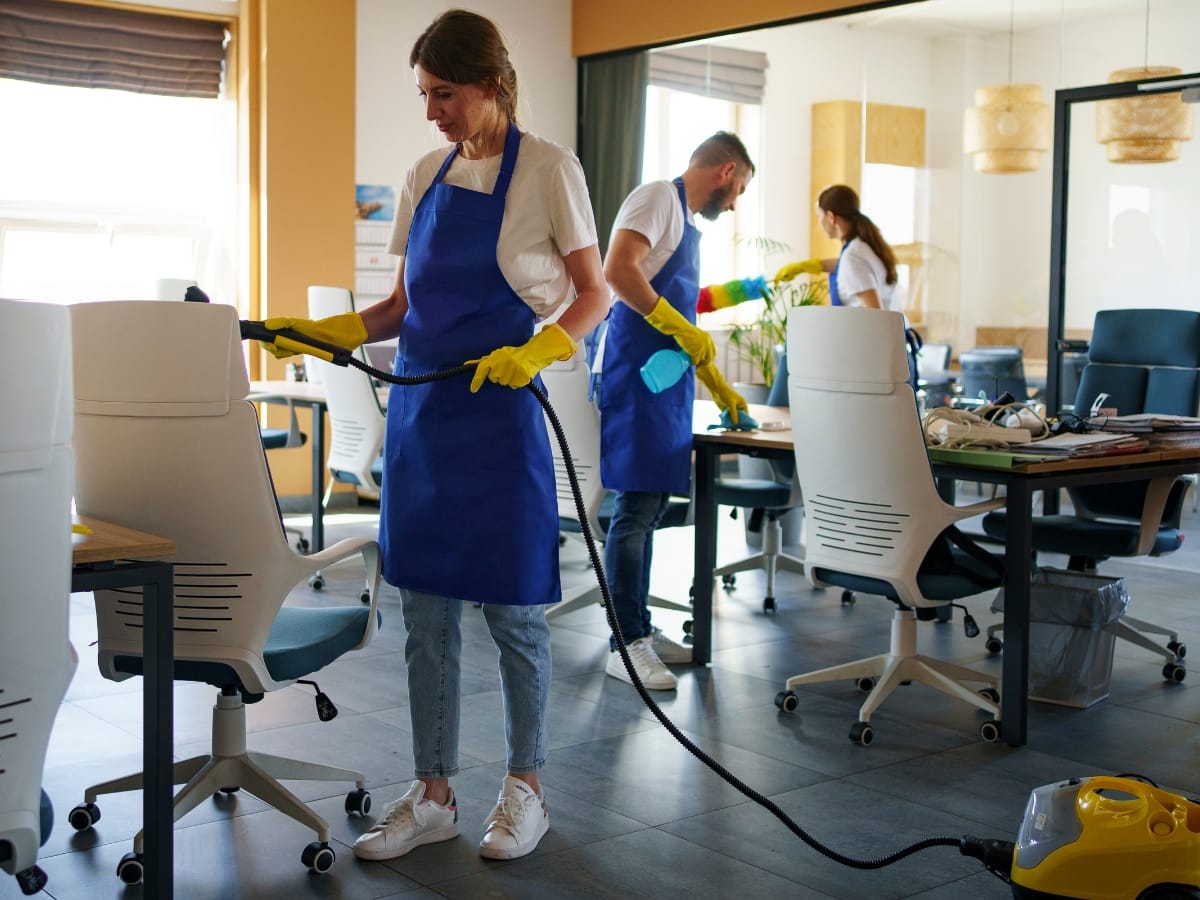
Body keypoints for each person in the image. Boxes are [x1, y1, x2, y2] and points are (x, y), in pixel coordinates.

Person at [258, 9, 608, 863]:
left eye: (444, 93)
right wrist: (325, 331)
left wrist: (540, 351)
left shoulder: (551, 170)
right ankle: (435, 795)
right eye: (424, 94)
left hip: (502, 418)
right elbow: (398, 308)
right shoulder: (424, 173)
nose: (431, 112)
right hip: (423, 423)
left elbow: (595, 293)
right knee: (426, 617)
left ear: (492, 84)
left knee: (515, 613)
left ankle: (526, 789)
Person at [597, 132, 754, 691]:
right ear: (726, 170)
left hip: (663, 382)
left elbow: (685, 309)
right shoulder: (658, 198)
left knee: (651, 507)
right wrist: (677, 326)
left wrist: (720, 387)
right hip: (636, 376)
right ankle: (626, 644)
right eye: (739, 190)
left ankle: (638, 628)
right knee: (635, 510)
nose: (734, 204)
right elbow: (618, 271)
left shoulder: (682, 220)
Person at [776, 184, 920, 386]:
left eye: (819, 216)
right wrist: (808, 266)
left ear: (831, 217)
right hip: (895, 354)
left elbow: (875, 313)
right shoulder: (864, 247)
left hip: (880, 361)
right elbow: (846, 266)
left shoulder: (853, 256)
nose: (820, 224)